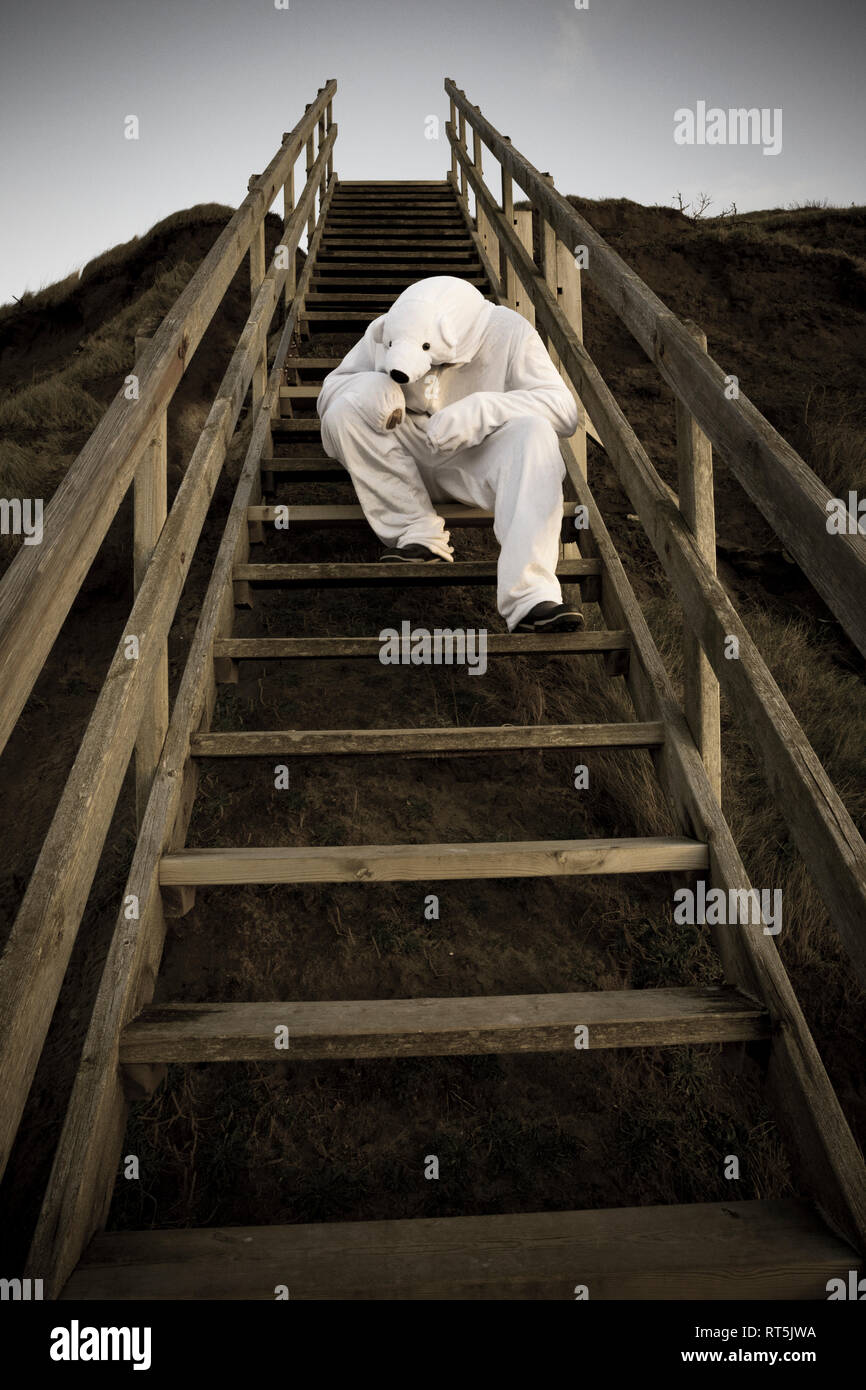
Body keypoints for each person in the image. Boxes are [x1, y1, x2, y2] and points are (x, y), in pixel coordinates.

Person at [317, 275, 584, 632]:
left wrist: (485, 409)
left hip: (476, 461)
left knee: (536, 433)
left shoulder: (507, 330)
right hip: (405, 459)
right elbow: (329, 395)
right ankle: (416, 531)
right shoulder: (385, 330)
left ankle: (531, 595)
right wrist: (369, 386)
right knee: (342, 413)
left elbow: (564, 412)